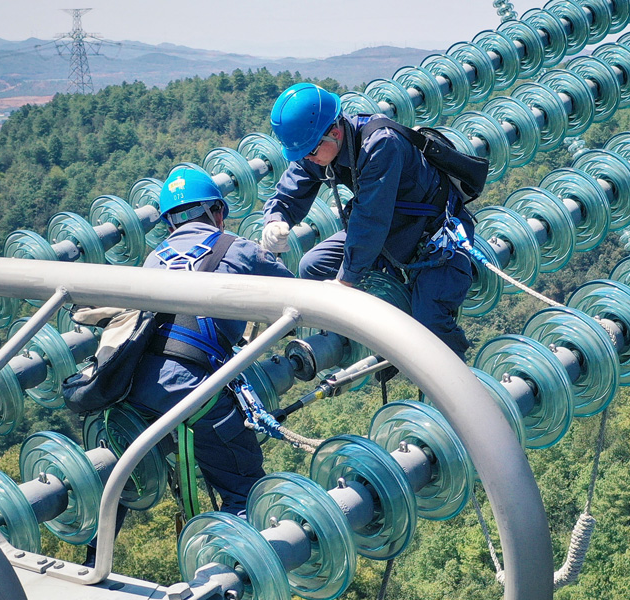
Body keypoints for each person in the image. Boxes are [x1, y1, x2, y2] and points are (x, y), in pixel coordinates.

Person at [261, 82, 475, 360]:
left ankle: (458, 377)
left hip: (435, 235)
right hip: (391, 231)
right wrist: (275, 218)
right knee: (313, 267)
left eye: (310, 153)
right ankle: (357, 343)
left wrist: (345, 281)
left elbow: (370, 219)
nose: (307, 160)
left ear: (335, 133)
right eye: (302, 155)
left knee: (429, 319)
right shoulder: (316, 147)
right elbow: (291, 190)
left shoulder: (381, 144)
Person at [128, 166, 295, 516]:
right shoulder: (237, 249)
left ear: (170, 224)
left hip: (138, 387)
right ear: (217, 212)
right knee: (245, 493)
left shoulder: (152, 260)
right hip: (193, 390)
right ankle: (238, 544)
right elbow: (297, 297)